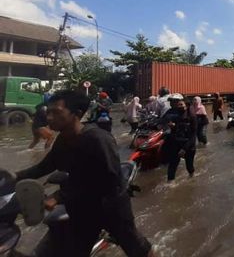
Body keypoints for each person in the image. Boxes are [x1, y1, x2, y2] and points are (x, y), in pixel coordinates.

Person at [15, 90, 156, 257]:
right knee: (75, 249)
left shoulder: (98, 139)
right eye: (49, 111)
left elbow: (108, 180)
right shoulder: (62, 140)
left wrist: (60, 196)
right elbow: (44, 167)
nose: (49, 117)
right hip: (81, 207)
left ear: (77, 114)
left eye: (56, 112)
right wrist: (13, 176)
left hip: (110, 206)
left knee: (135, 246)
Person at [162, 94, 197, 182]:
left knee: (189, 167)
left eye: (181, 104)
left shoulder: (191, 115)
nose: (178, 106)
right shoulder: (173, 113)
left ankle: (192, 178)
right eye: (177, 104)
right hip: (176, 143)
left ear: (186, 104)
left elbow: (193, 135)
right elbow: (163, 120)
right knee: (172, 166)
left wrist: (184, 149)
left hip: (188, 145)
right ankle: (170, 184)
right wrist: (171, 125)